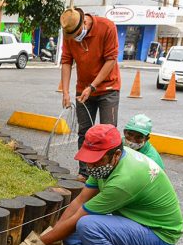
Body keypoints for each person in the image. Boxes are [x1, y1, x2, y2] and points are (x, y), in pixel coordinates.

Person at [8, 124, 183, 245]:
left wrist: (37, 244)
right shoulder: (106, 164)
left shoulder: (124, 180)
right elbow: (80, 201)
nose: (90, 165)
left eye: (96, 160)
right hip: (137, 224)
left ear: (115, 155)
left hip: (159, 233)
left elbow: (80, 217)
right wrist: (53, 232)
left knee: (87, 226)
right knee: (71, 236)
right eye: (88, 159)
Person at [59, 7, 121, 182]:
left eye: (77, 34)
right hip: (83, 89)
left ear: (84, 22)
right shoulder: (69, 32)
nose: (74, 39)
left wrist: (92, 87)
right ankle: (85, 173)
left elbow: (111, 59)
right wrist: (65, 92)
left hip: (108, 88)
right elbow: (66, 61)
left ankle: (109, 175)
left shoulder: (107, 27)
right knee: (85, 132)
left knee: (108, 133)